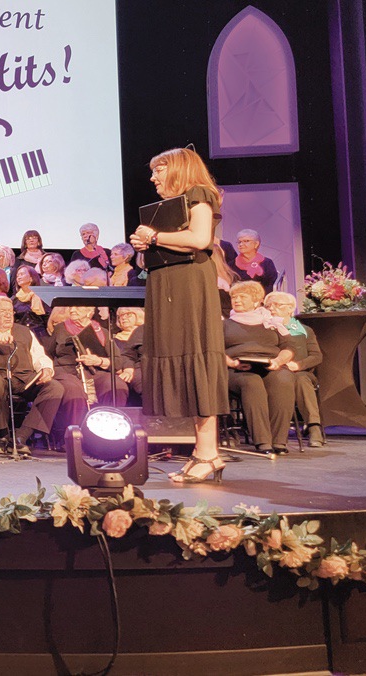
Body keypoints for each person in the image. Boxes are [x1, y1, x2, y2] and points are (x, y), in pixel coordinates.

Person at [130, 146, 230, 483]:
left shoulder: (198, 194)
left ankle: (208, 452)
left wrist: (155, 236)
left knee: (196, 359)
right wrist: (146, 247)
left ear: (178, 169)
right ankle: (202, 452)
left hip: (189, 285)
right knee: (183, 363)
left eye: (159, 170)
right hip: (167, 284)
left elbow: (201, 238)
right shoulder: (166, 209)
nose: (153, 177)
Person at [0, 296, 63, 453]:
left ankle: (21, 436)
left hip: (24, 378)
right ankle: (2, 435)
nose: (8, 315)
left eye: (10, 311)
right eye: (3, 312)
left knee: (54, 387)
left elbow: (40, 356)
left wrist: (46, 368)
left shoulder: (25, 331)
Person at [223, 281, 295, 453]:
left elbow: (289, 348)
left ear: (256, 301)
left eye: (242, 297)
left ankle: (279, 441)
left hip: (270, 365)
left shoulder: (271, 323)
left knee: (284, 379)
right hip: (236, 368)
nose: (237, 300)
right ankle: (263, 442)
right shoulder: (224, 325)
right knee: (252, 382)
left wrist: (278, 361)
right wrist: (232, 363)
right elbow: (215, 350)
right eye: (234, 297)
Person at [51, 305, 129, 431]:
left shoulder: (102, 331)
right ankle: (74, 434)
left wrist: (98, 360)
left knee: (116, 387)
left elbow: (118, 362)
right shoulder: (60, 328)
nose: (72, 310)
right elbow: (48, 353)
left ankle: (109, 431)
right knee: (74, 392)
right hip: (68, 371)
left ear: (89, 311)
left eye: (77, 307)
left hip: (97, 371)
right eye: (70, 307)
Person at [264, 291, 324, 447]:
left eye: (277, 305)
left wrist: (298, 365)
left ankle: (313, 427)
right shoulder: (265, 329)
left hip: (300, 372)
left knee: (301, 379)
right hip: (274, 372)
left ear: (290, 309)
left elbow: (316, 356)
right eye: (268, 305)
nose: (271, 309)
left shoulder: (303, 330)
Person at [229, 229, 279, 295]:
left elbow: (271, 284)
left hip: (261, 300)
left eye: (246, 241)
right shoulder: (231, 265)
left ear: (256, 244)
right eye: (239, 242)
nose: (241, 244)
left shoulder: (267, 263)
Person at [114, 307, 145, 403]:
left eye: (128, 314)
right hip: (131, 371)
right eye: (121, 316)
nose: (123, 318)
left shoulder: (147, 333)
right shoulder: (113, 340)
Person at [11, 265, 48, 343]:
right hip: (22, 336)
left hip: (41, 335)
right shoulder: (14, 299)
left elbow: (48, 318)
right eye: (17, 276)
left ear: (31, 278)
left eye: (22, 274)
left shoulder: (41, 296)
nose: (19, 277)